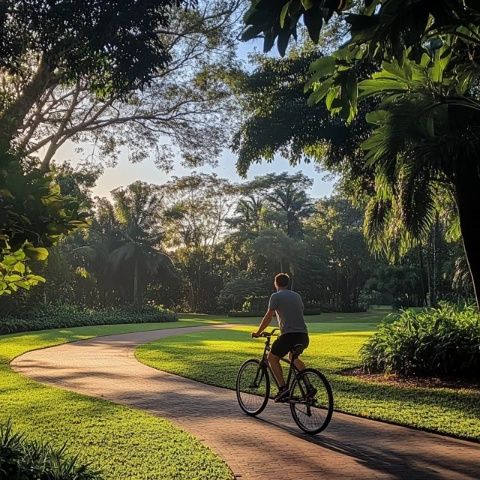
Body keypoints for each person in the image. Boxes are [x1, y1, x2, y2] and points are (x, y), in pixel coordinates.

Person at [252, 272, 309, 402]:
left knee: (271, 358)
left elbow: (268, 316)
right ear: (287, 283)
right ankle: (308, 385)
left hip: (289, 335)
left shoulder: (275, 296)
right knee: (292, 357)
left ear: (276, 283)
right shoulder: (297, 296)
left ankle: (283, 389)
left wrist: (258, 332)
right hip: (303, 336)